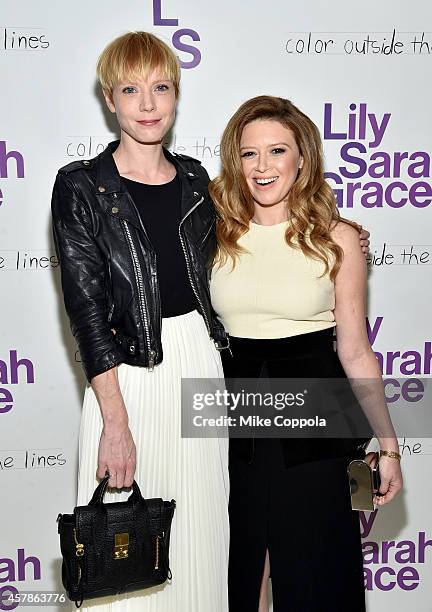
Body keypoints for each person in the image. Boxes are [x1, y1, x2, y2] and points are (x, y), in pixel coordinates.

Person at [51, 31, 230, 611]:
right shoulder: (80, 187)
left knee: (201, 535)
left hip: (199, 365)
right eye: (132, 90)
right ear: (110, 98)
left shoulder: (199, 182)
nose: (148, 105)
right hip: (127, 373)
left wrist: (337, 233)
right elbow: (86, 314)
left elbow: (252, 248)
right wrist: (115, 420)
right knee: (124, 555)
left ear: (176, 95)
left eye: (160, 88)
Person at [208, 96, 403, 611]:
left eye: (277, 151)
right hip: (236, 416)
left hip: (316, 414)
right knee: (242, 566)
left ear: (303, 159)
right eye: (249, 154)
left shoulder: (337, 238)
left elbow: (357, 351)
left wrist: (388, 446)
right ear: (235, 161)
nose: (263, 166)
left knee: (314, 569)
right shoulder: (213, 231)